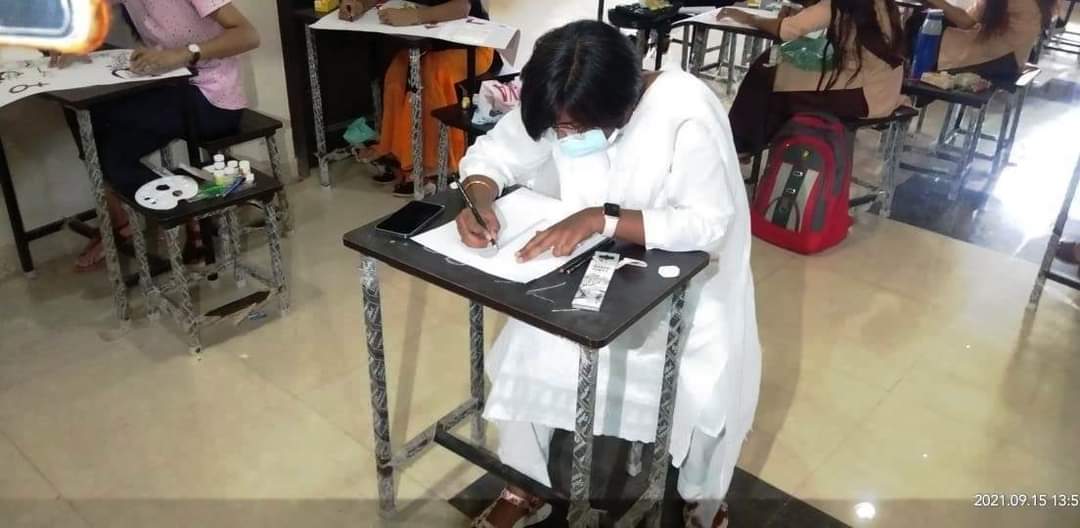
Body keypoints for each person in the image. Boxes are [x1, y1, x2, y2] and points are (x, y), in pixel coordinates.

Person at [454, 20, 761, 528]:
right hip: (596, 272)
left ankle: (704, 501)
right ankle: (523, 483)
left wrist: (602, 218)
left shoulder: (685, 112)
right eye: (558, 129)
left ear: (621, 106)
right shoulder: (562, 100)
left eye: (573, 129)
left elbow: (707, 224)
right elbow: (495, 155)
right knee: (528, 348)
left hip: (689, 284)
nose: (563, 137)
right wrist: (479, 198)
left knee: (707, 389)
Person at [66, 0, 260, 271]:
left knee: (103, 120)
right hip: (171, 86)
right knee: (105, 148)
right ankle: (181, 209)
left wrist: (185, 53)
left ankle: (185, 211)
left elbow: (248, 34)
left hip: (214, 98)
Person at [339, 0, 496, 197]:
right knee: (397, 69)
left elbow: (462, 7)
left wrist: (414, 16)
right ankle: (395, 150)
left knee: (430, 73)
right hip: (431, 42)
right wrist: (359, 4)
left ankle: (437, 163)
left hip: (473, 45)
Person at [723, 0, 905, 155]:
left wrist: (747, 17)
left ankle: (741, 145)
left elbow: (787, 30)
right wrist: (802, 15)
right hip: (883, 90)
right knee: (775, 72)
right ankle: (750, 143)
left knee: (768, 71)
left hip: (864, 94)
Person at [918, 0, 1056, 85]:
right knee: (933, 23)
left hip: (997, 60)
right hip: (1015, 58)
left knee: (922, 24)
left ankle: (915, 86)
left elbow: (965, 22)